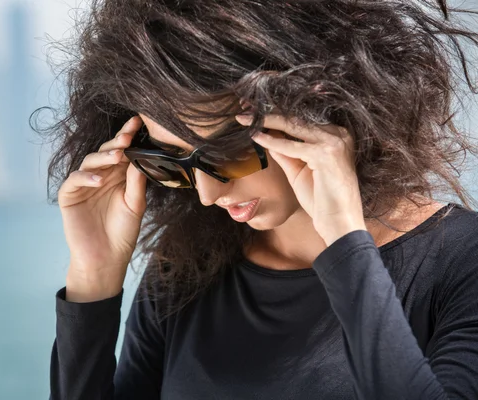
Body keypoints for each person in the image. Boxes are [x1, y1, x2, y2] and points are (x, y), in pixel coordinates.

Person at [39, 0, 478, 398]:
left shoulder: (463, 260)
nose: (207, 194)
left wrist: (345, 239)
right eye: (173, 161)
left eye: (227, 154)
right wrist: (93, 275)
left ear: (321, 106)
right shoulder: (188, 268)